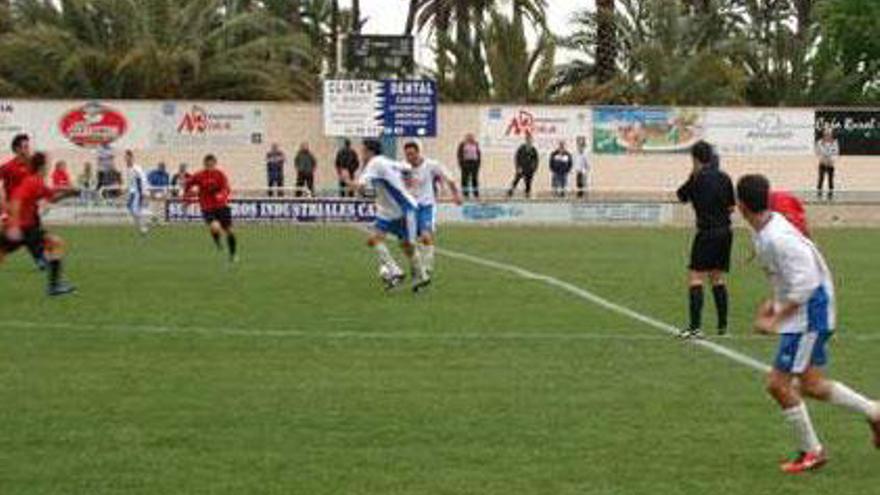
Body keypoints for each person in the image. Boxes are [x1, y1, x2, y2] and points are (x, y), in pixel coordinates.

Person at [737, 173, 880, 474]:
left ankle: (812, 451)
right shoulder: (762, 231)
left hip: (810, 312)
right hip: (806, 310)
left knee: (777, 384)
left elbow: (806, 285)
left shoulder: (778, 237)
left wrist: (775, 318)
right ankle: (874, 412)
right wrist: (772, 303)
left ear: (741, 205)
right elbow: (785, 278)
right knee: (811, 384)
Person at [344, 139, 429, 292]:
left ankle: (413, 274)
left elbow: (361, 187)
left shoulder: (374, 163)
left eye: (363, 151)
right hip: (388, 211)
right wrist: (408, 181)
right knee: (380, 240)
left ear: (370, 151)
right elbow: (407, 167)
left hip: (404, 208)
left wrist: (346, 181)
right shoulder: (384, 161)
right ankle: (402, 272)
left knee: (405, 245)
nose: (361, 154)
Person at [676, 141, 735, 338]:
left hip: (706, 232)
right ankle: (722, 327)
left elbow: (681, 196)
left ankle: (695, 328)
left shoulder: (697, 179)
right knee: (717, 277)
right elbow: (731, 207)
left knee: (696, 277)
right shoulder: (725, 178)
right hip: (725, 232)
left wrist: (692, 176)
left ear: (695, 158)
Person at [0, 152, 78, 296]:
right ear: (42, 166)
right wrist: (15, 225)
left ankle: (54, 286)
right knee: (55, 244)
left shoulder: (37, 182)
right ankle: (54, 287)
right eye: (47, 164)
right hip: (23, 228)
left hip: (27, 228)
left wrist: (69, 193)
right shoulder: (33, 182)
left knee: (54, 244)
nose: (48, 168)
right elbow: (16, 200)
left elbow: (52, 197)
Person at [402, 141, 462, 277]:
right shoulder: (403, 167)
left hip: (426, 206)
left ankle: (427, 267)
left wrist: (456, 195)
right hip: (410, 207)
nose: (409, 157)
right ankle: (415, 265)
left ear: (418, 153)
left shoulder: (430, 165)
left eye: (411, 154)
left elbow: (449, 178)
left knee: (425, 236)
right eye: (407, 155)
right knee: (409, 241)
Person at [0, 134, 46, 270]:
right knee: (27, 236)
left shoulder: (32, 166)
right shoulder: (8, 167)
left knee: (33, 235)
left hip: (31, 208)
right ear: (17, 149)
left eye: (28, 146)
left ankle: (40, 259)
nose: (28, 149)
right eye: (25, 147)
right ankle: (40, 260)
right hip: (16, 209)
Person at [184, 154, 238, 263]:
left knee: (230, 232)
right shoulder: (199, 175)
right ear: (204, 164)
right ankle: (218, 242)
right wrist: (187, 199)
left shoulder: (220, 174)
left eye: (211, 164)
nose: (209, 166)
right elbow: (188, 184)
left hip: (222, 206)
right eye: (207, 164)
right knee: (215, 226)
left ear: (215, 163)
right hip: (207, 207)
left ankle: (233, 255)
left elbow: (226, 188)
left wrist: (222, 195)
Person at [124, 150, 150, 235]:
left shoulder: (136, 168)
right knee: (130, 208)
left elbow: (143, 180)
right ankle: (141, 226)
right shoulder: (127, 169)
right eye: (125, 157)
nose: (126, 159)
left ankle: (143, 227)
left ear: (131, 158)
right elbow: (129, 182)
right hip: (132, 192)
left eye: (128, 157)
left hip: (137, 192)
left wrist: (144, 192)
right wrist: (126, 190)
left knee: (135, 210)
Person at [508, 132, 539, 198]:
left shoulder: (533, 150)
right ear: (526, 140)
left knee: (528, 183)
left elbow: (536, 160)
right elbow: (517, 158)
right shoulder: (521, 148)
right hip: (521, 168)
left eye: (530, 140)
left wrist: (534, 168)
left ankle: (527, 194)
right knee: (516, 180)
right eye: (528, 139)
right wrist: (518, 167)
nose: (529, 141)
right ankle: (511, 191)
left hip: (529, 170)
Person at [815, 129, 839, 201]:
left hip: (830, 164)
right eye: (826, 134)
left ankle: (830, 196)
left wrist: (831, 160)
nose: (827, 135)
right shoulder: (819, 142)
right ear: (823, 135)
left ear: (831, 135)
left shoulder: (835, 143)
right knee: (820, 179)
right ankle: (819, 196)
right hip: (822, 163)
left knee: (830, 180)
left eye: (829, 134)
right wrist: (822, 159)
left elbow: (836, 152)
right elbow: (817, 152)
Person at [456, 134, 481, 199]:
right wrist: (461, 164)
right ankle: (465, 194)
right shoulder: (462, 144)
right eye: (468, 137)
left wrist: (478, 164)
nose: (470, 139)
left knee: (474, 179)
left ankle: (476, 194)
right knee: (465, 178)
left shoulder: (476, 144)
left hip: (474, 163)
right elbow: (459, 154)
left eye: (471, 137)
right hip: (465, 163)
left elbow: (478, 154)